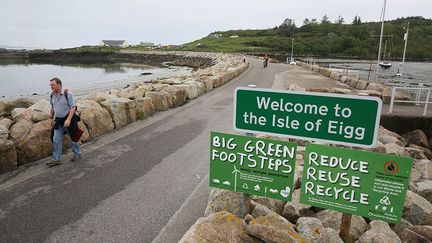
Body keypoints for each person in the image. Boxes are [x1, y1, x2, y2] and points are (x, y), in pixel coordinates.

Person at [47, 77, 81, 167]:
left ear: (59, 84)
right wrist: (51, 118)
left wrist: (68, 119)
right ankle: (56, 159)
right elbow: (53, 107)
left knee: (74, 138)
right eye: (50, 85)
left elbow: (73, 107)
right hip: (58, 121)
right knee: (56, 139)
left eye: (53, 85)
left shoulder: (67, 93)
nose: (51, 87)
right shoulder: (52, 95)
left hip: (69, 120)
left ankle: (77, 154)